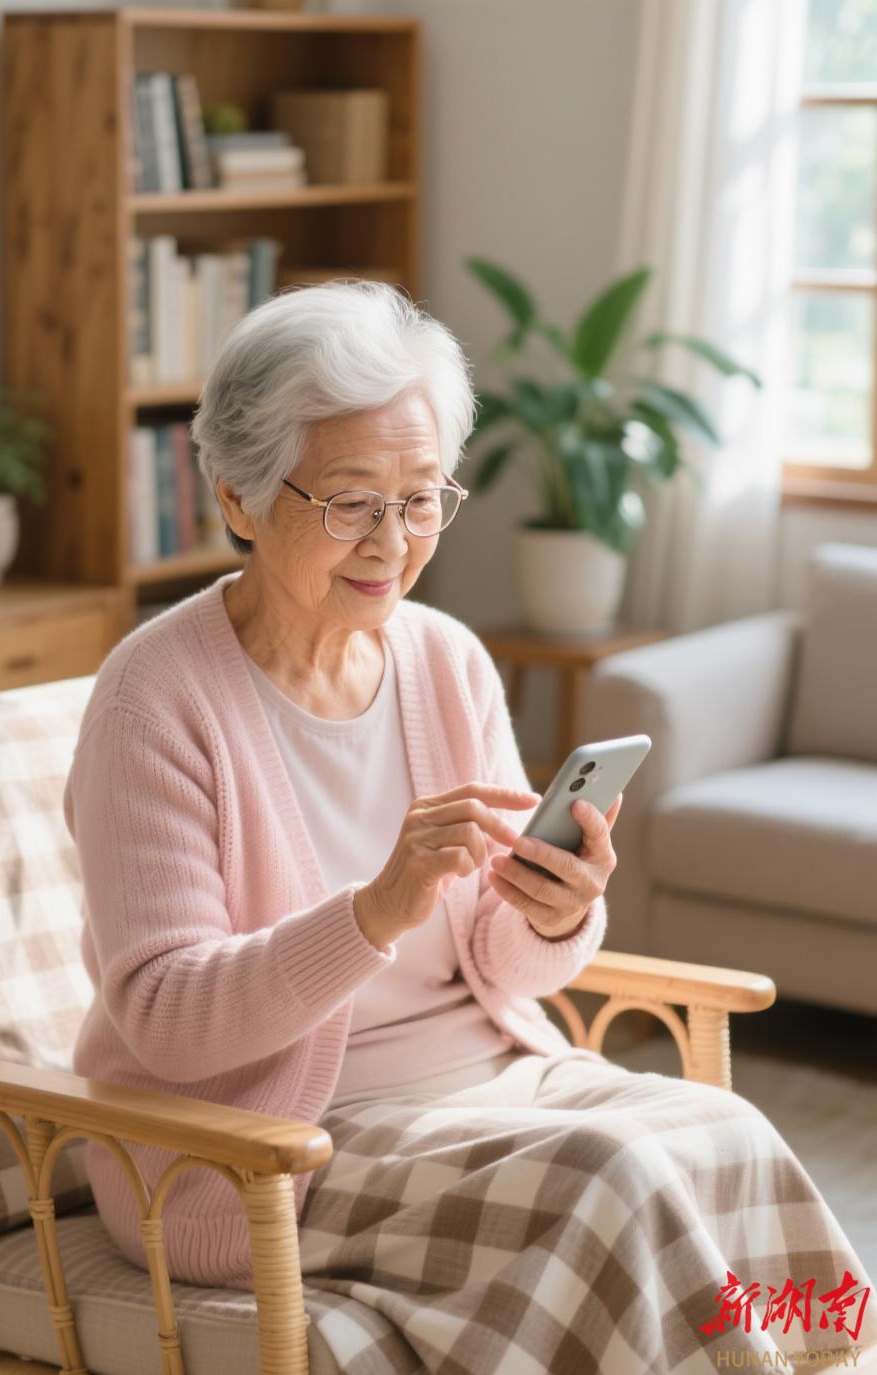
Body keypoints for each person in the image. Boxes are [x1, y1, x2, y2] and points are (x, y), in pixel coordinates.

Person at [66, 281, 876, 1371]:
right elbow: (164, 1017)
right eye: (353, 501)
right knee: (611, 1177)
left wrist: (558, 906)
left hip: (486, 1076)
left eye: (420, 499)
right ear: (240, 497)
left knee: (726, 1135)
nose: (393, 542)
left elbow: (505, 960)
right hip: (267, 1140)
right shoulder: (154, 700)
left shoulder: (444, 659)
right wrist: (372, 913)